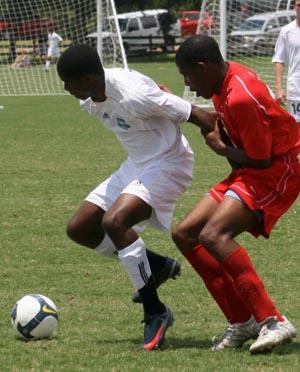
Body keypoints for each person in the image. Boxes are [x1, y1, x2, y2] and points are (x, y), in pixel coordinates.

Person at [56, 44, 217, 350]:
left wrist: (240, 159)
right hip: (136, 164)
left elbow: (199, 115)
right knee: (80, 228)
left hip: (170, 163)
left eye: (69, 82)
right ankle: (156, 266)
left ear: (89, 78)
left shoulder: (133, 94)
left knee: (115, 222)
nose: (66, 89)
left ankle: (155, 311)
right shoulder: (89, 99)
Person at [172, 34, 299, 354]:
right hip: (249, 172)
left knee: (214, 235)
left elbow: (262, 159)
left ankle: (273, 320)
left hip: (276, 173)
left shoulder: (240, 95)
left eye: (187, 75)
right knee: (185, 234)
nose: (188, 84)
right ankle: (242, 321)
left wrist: (219, 146)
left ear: (202, 68)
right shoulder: (222, 84)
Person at [272, 0, 300, 124]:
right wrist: (279, 88)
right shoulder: (286, 31)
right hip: (296, 88)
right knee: (297, 126)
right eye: (299, 5)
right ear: (295, 7)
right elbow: (279, 59)